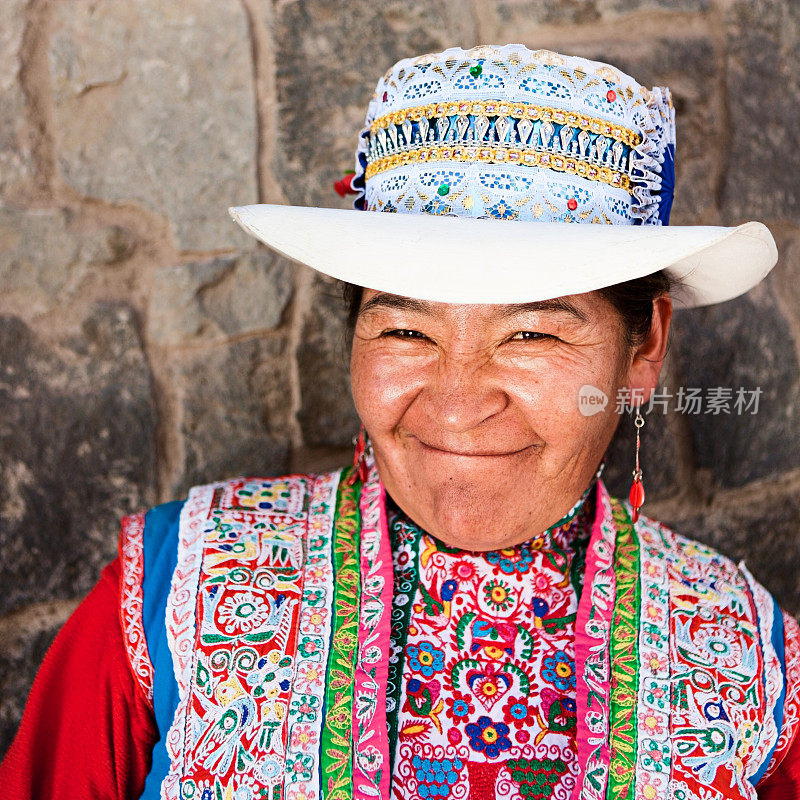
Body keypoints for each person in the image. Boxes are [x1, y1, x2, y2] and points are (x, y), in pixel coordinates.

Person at [1, 43, 798, 800]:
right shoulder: (168, 596)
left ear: (643, 347)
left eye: (531, 333)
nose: (456, 403)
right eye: (407, 330)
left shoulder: (748, 661)